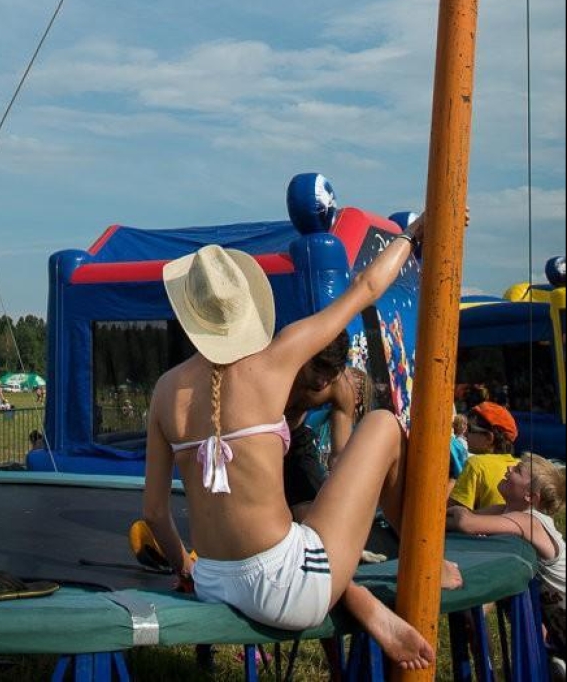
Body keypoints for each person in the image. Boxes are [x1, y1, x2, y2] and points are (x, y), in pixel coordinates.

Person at [143, 219, 463, 671]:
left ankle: (359, 598)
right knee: (384, 424)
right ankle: (422, 558)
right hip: (287, 587)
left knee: (304, 523)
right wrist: (412, 237)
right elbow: (365, 287)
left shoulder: (164, 390)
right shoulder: (277, 360)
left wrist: (186, 568)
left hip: (213, 580)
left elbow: (154, 512)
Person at [446, 454, 565, 657]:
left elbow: (466, 523)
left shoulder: (530, 521)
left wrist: (451, 511)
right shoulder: (505, 510)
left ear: (530, 496)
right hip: (553, 614)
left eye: (517, 470)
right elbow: (460, 523)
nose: (509, 469)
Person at [283, 330, 371, 520]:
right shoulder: (282, 368)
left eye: (330, 374)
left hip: (295, 438)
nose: (322, 381)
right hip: (260, 437)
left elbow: (339, 457)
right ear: (306, 355)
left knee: (314, 517)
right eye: (316, 370)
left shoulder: (341, 388)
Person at [448, 401, 518, 510]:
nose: (465, 433)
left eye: (470, 429)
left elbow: (451, 513)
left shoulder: (476, 465)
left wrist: (453, 480)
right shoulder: (519, 466)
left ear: (489, 438)